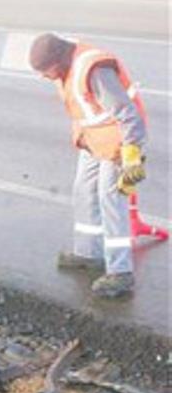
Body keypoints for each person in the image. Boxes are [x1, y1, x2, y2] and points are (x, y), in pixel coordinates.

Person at [29, 33, 148, 298]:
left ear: (58, 60)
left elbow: (128, 114)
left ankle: (121, 273)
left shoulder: (94, 70)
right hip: (95, 140)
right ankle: (89, 254)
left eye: (45, 71)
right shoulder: (67, 67)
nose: (44, 77)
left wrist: (132, 157)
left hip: (120, 143)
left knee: (111, 199)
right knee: (84, 190)